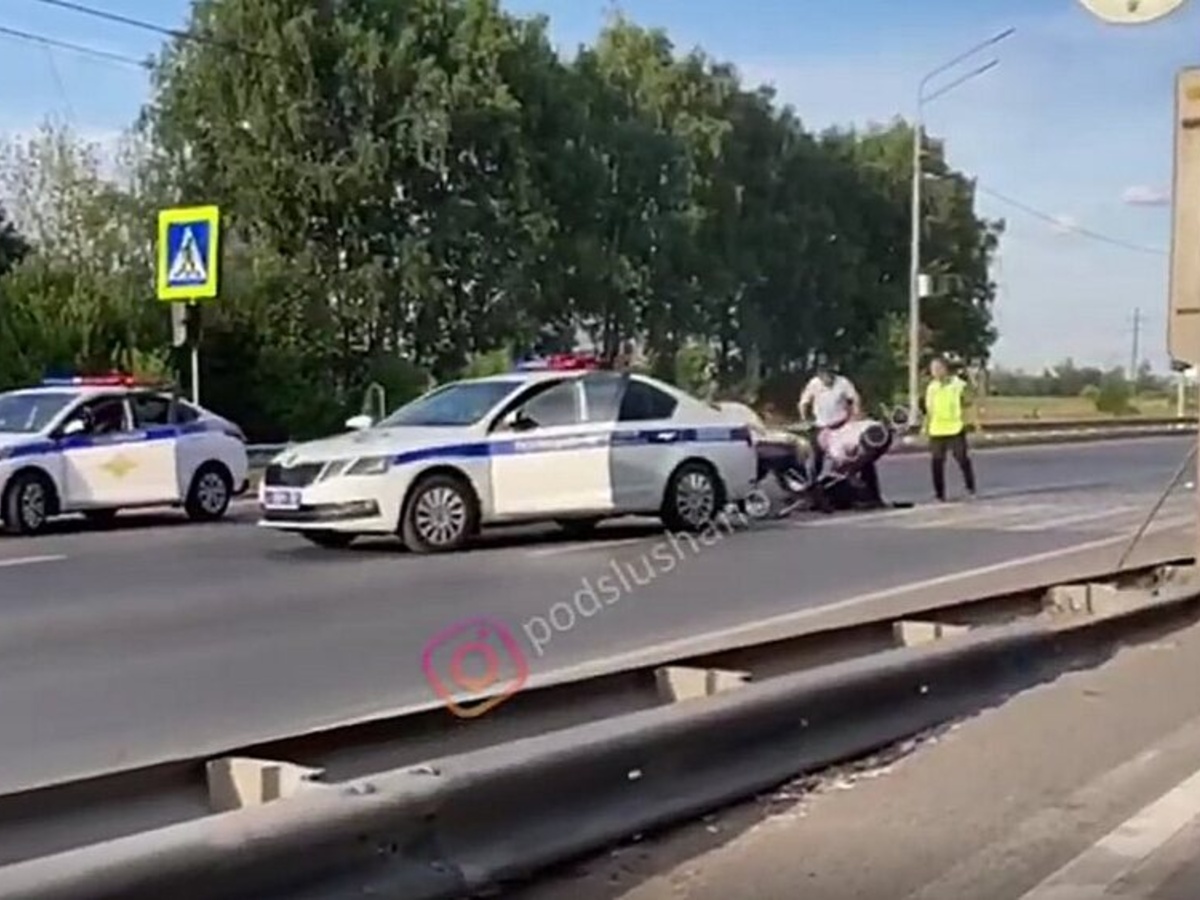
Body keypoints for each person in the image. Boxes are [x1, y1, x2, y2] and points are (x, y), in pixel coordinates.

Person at [922, 356, 977, 502]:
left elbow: (969, 399)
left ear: (945, 369)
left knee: (962, 459)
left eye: (938, 368)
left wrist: (970, 384)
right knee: (936, 461)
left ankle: (970, 488)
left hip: (955, 427)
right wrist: (925, 427)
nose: (936, 372)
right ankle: (939, 494)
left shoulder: (957, 384)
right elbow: (929, 409)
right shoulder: (931, 387)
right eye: (933, 369)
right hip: (937, 428)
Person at [797, 361, 861, 484]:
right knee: (816, 458)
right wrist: (805, 420)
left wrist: (854, 417)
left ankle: (852, 483)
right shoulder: (814, 384)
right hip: (821, 426)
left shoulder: (843, 382)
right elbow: (803, 403)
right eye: (824, 375)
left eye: (830, 374)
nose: (827, 378)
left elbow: (855, 399)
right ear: (819, 375)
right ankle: (811, 485)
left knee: (850, 455)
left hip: (841, 425)